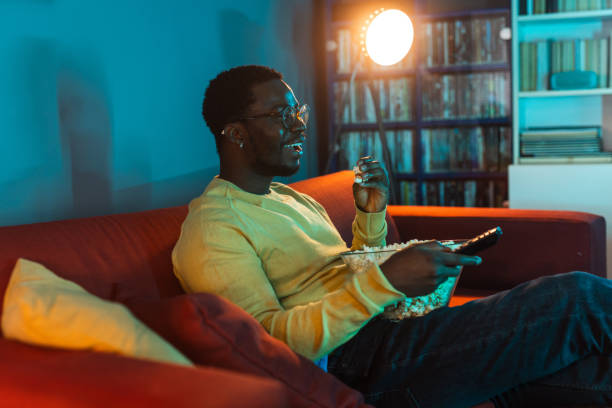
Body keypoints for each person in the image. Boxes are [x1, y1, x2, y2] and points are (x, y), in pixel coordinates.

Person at [172, 65, 612, 408]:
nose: (299, 126)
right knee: (575, 297)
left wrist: (370, 214)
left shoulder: (287, 198)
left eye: (298, 112)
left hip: (385, 333)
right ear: (236, 132)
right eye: (281, 116)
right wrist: (386, 282)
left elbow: (347, 275)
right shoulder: (213, 229)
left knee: (593, 376)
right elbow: (270, 351)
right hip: (357, 367)